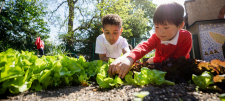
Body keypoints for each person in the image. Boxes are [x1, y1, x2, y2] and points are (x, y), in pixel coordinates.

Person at [108, 1, 193, 78]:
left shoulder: (185, 37)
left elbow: (178, 60)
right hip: (159, 69)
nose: (160, 32)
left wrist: (154, 59)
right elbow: (143, 47)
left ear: (180, 26)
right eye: (156, 27)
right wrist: (130, 58)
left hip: (179, 71)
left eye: (166, 27)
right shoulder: (156, 37)